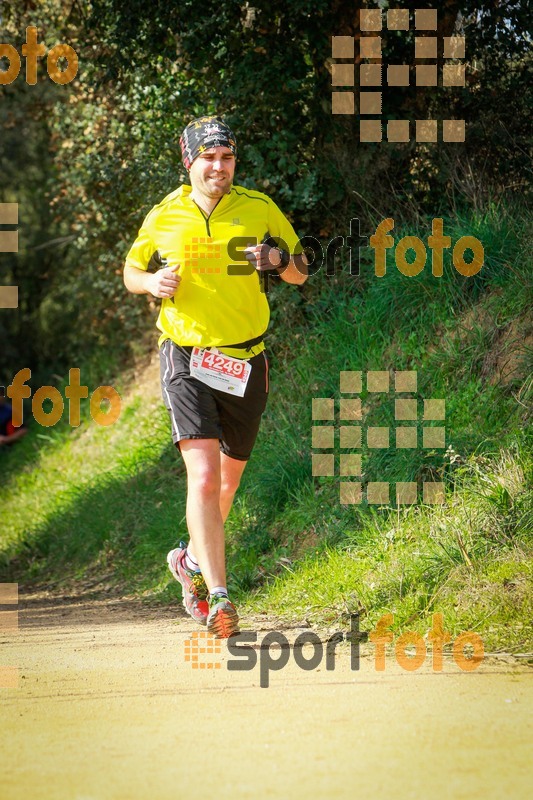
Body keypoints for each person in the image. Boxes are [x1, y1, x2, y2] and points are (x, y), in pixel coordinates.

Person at [123, 116, 307, 637]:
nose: (219, 167)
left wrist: (276, 260)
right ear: (190, 162)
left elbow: (301, 268)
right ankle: (218, 598)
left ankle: (189, 561)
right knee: (202, 477)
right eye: (209, 158)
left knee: (225, 487)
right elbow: (131, 271)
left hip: (246, 362)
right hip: (186, 357)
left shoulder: (259, 207)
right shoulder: (164, 215)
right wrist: (152, 280)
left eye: (226, 158)